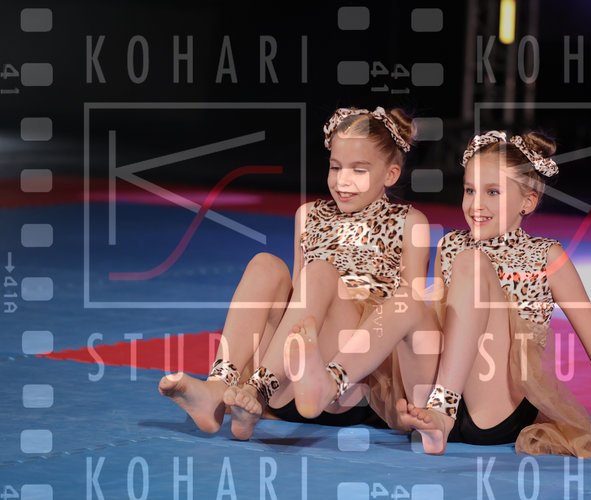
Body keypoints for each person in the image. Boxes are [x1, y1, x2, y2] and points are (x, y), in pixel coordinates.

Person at [392, 130, 591, 457]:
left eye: (492, 192)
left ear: (528, 202)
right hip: (443, 397)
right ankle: (429, 412)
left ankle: (441, 410)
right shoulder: (450, 244)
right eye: (470, 190)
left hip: (496, 409)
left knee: (473, 262)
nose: (476, 204)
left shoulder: (546, 256)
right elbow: (442, 328)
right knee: (410, 300)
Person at [159, 106, 439, 439]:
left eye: (359, 170)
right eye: (335, 167)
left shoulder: (410, 223)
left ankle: (258, 390)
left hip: (347, 385)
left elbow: (406, 317)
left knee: (320, 273)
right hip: (290, 383)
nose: (342, 180)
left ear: (390, 175)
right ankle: (220, 386)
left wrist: (403, 399)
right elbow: (299, 303)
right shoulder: (308, 215)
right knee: (265, 265)